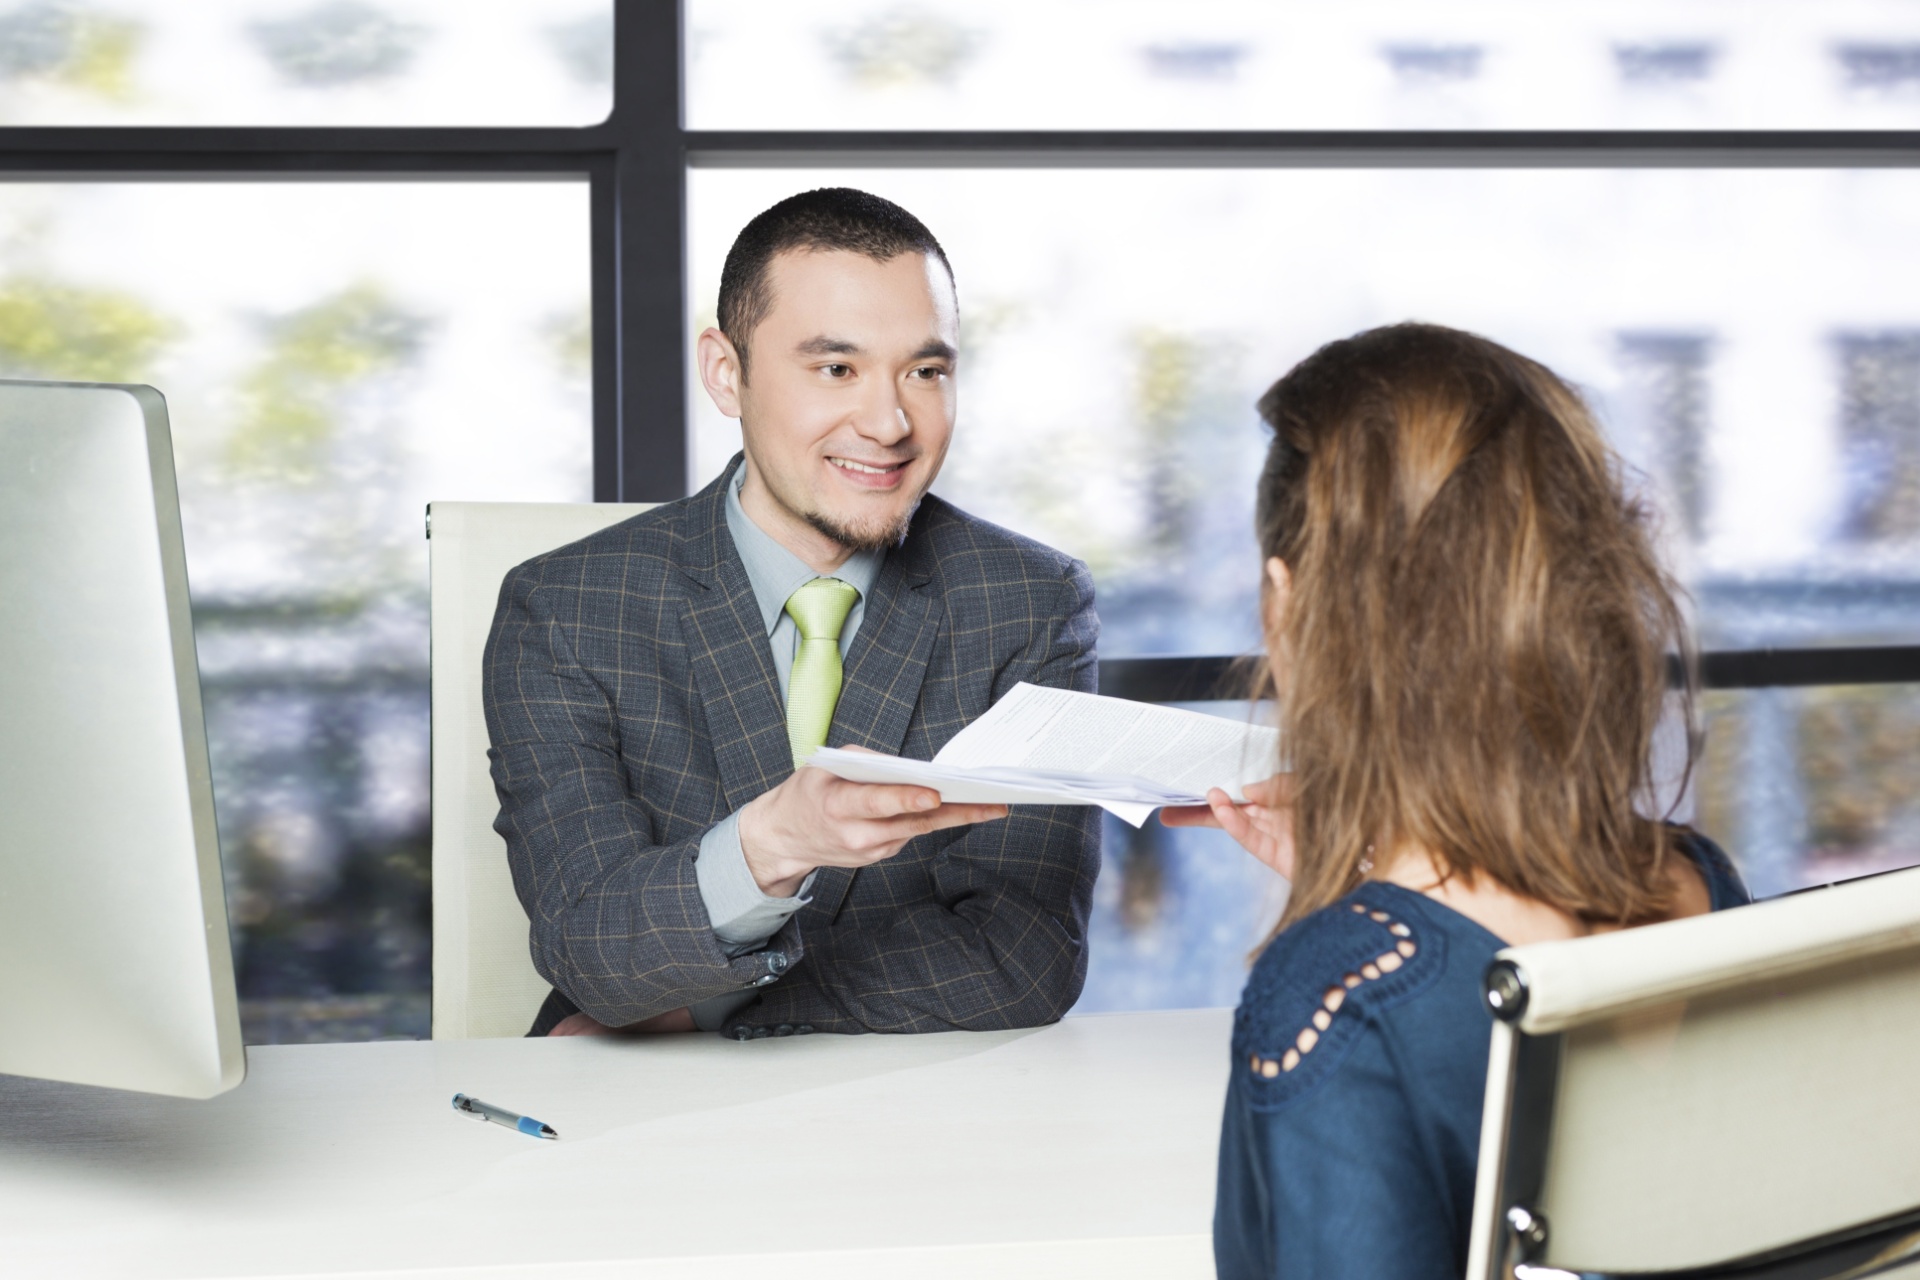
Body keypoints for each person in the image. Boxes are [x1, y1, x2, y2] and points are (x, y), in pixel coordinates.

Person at [1163, 323, 1751, 1278]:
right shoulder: (1697, 880)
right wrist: (1359, 888)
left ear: (1290, 607)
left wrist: (1352, 931)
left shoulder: (1338, 1000)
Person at [483, 188, 1101, 1040]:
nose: (888, 423)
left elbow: (1023, 960)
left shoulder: (1029, 602)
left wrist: (716, 1005)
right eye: (836, 369)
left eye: (926, 371)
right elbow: (592, 947)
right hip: (647, 1120)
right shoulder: (565, 609)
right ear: (725, 373)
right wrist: (771, 843)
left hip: (929, 1105)